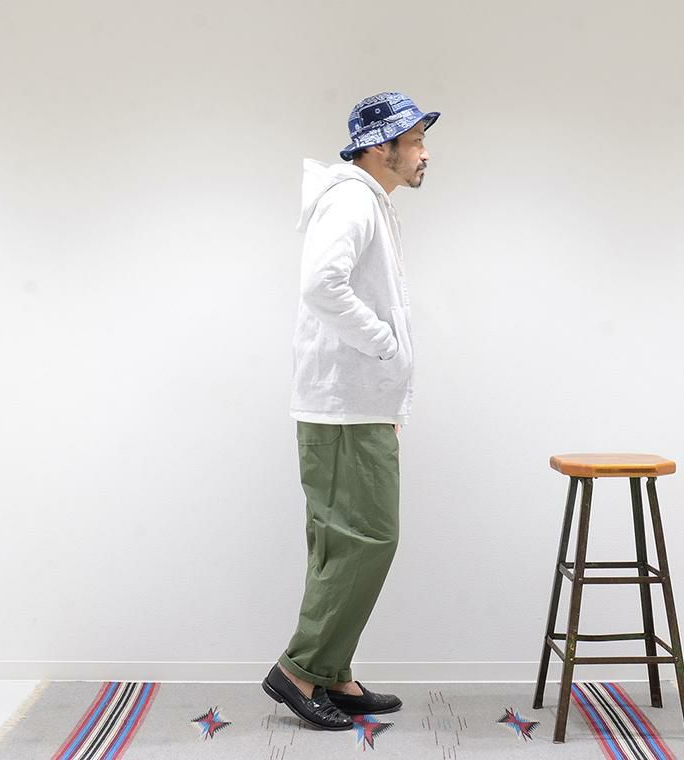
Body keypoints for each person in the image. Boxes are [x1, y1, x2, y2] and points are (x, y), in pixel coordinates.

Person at [262, 91, 440, 730]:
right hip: (344, 408)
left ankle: (332, 672)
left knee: (343, 544)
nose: (425, 153)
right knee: (368, 539)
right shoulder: (352, 200)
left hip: (353, 405)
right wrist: (385, 344)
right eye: (415, 141)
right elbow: (321, 285)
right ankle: (299, 669)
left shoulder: (367, 202)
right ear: (380, 146)